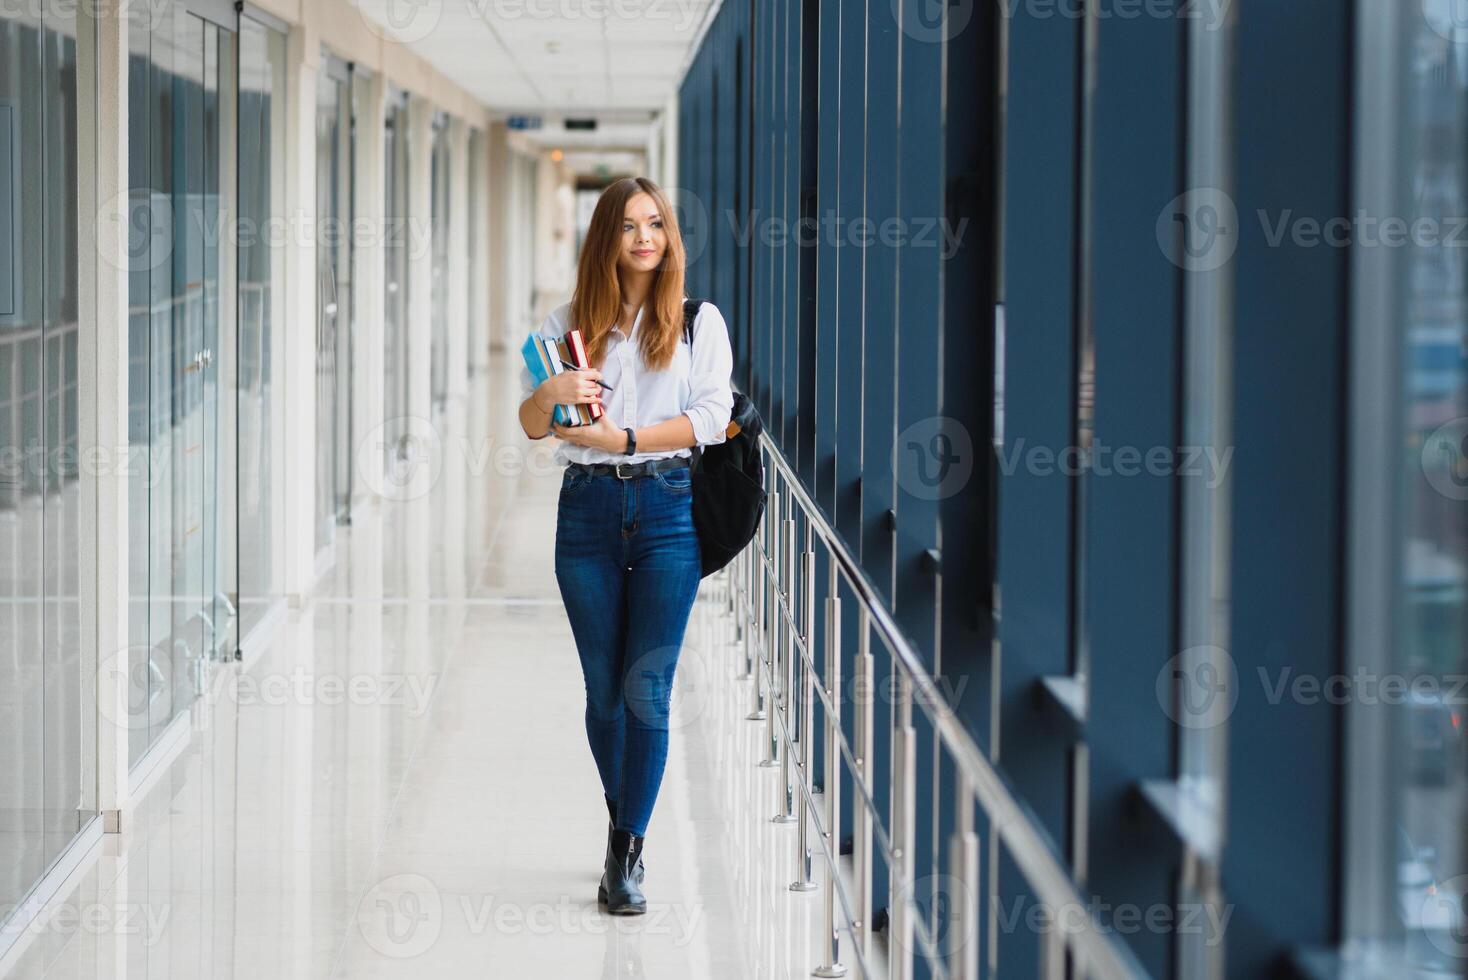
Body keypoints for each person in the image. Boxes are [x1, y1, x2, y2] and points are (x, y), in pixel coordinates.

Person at [517, 177, 733, 915]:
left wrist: (628, 438)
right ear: (605, 236)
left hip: (670, 508)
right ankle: (623, 815)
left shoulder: (699, 322)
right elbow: (533, 422)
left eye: (656, 225)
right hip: (587, 512)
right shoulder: (569, 322)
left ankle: (625, 852)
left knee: (647, 690)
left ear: (669, 236)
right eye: (629, 226)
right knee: (604, 692)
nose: (645, 238)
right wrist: (552, 395)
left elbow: (711, 418)